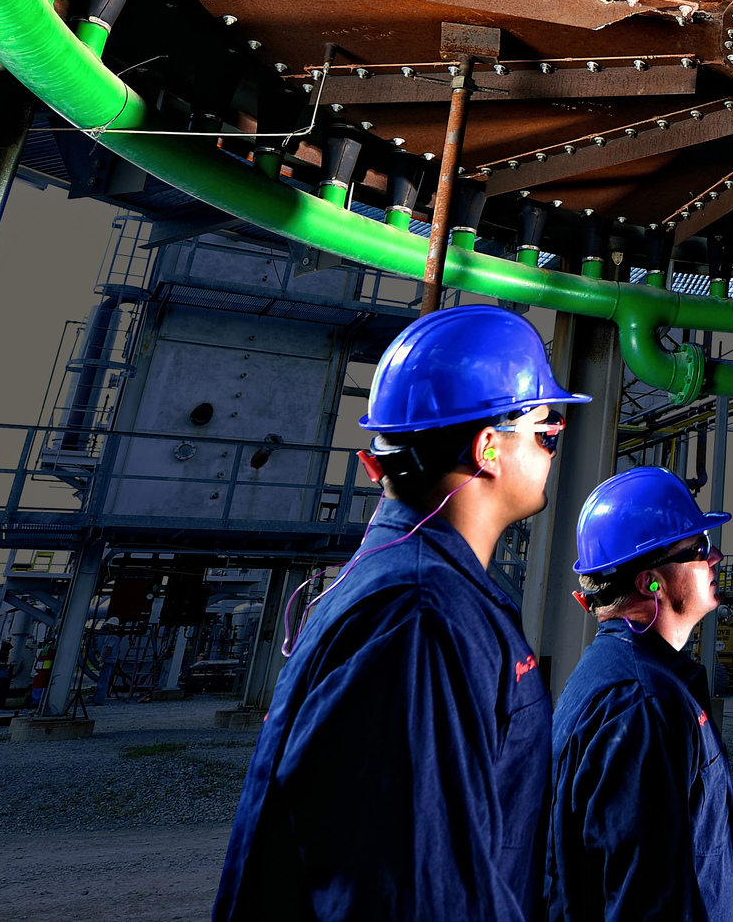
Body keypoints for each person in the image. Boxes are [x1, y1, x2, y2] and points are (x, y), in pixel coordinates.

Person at [214, 305, 588, 922]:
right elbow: (412, 889)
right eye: (548, 431)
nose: (555, 449)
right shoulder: (420, 618)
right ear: (489, 447)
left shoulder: (423, 591)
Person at [545, 468, 733, 922]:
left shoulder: (622, 676)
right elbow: (645, 902)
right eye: (699, 548)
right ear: (650, 581)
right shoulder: (642, 704)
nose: (715, 558)